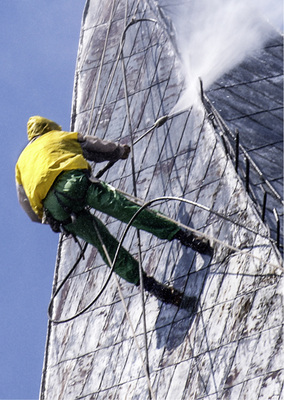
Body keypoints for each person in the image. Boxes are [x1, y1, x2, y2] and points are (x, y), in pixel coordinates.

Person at [16, 116, 213, 308]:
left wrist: (51, 219)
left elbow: (27, 206)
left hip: (57, 211)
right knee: (125, 210)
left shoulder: (21, 164)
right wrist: (118, 151)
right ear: (48, 127)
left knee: (105, 246)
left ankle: (151, 286)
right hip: (74, 184)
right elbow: (93, 146)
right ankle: (185, 237)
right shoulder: (57, 137)